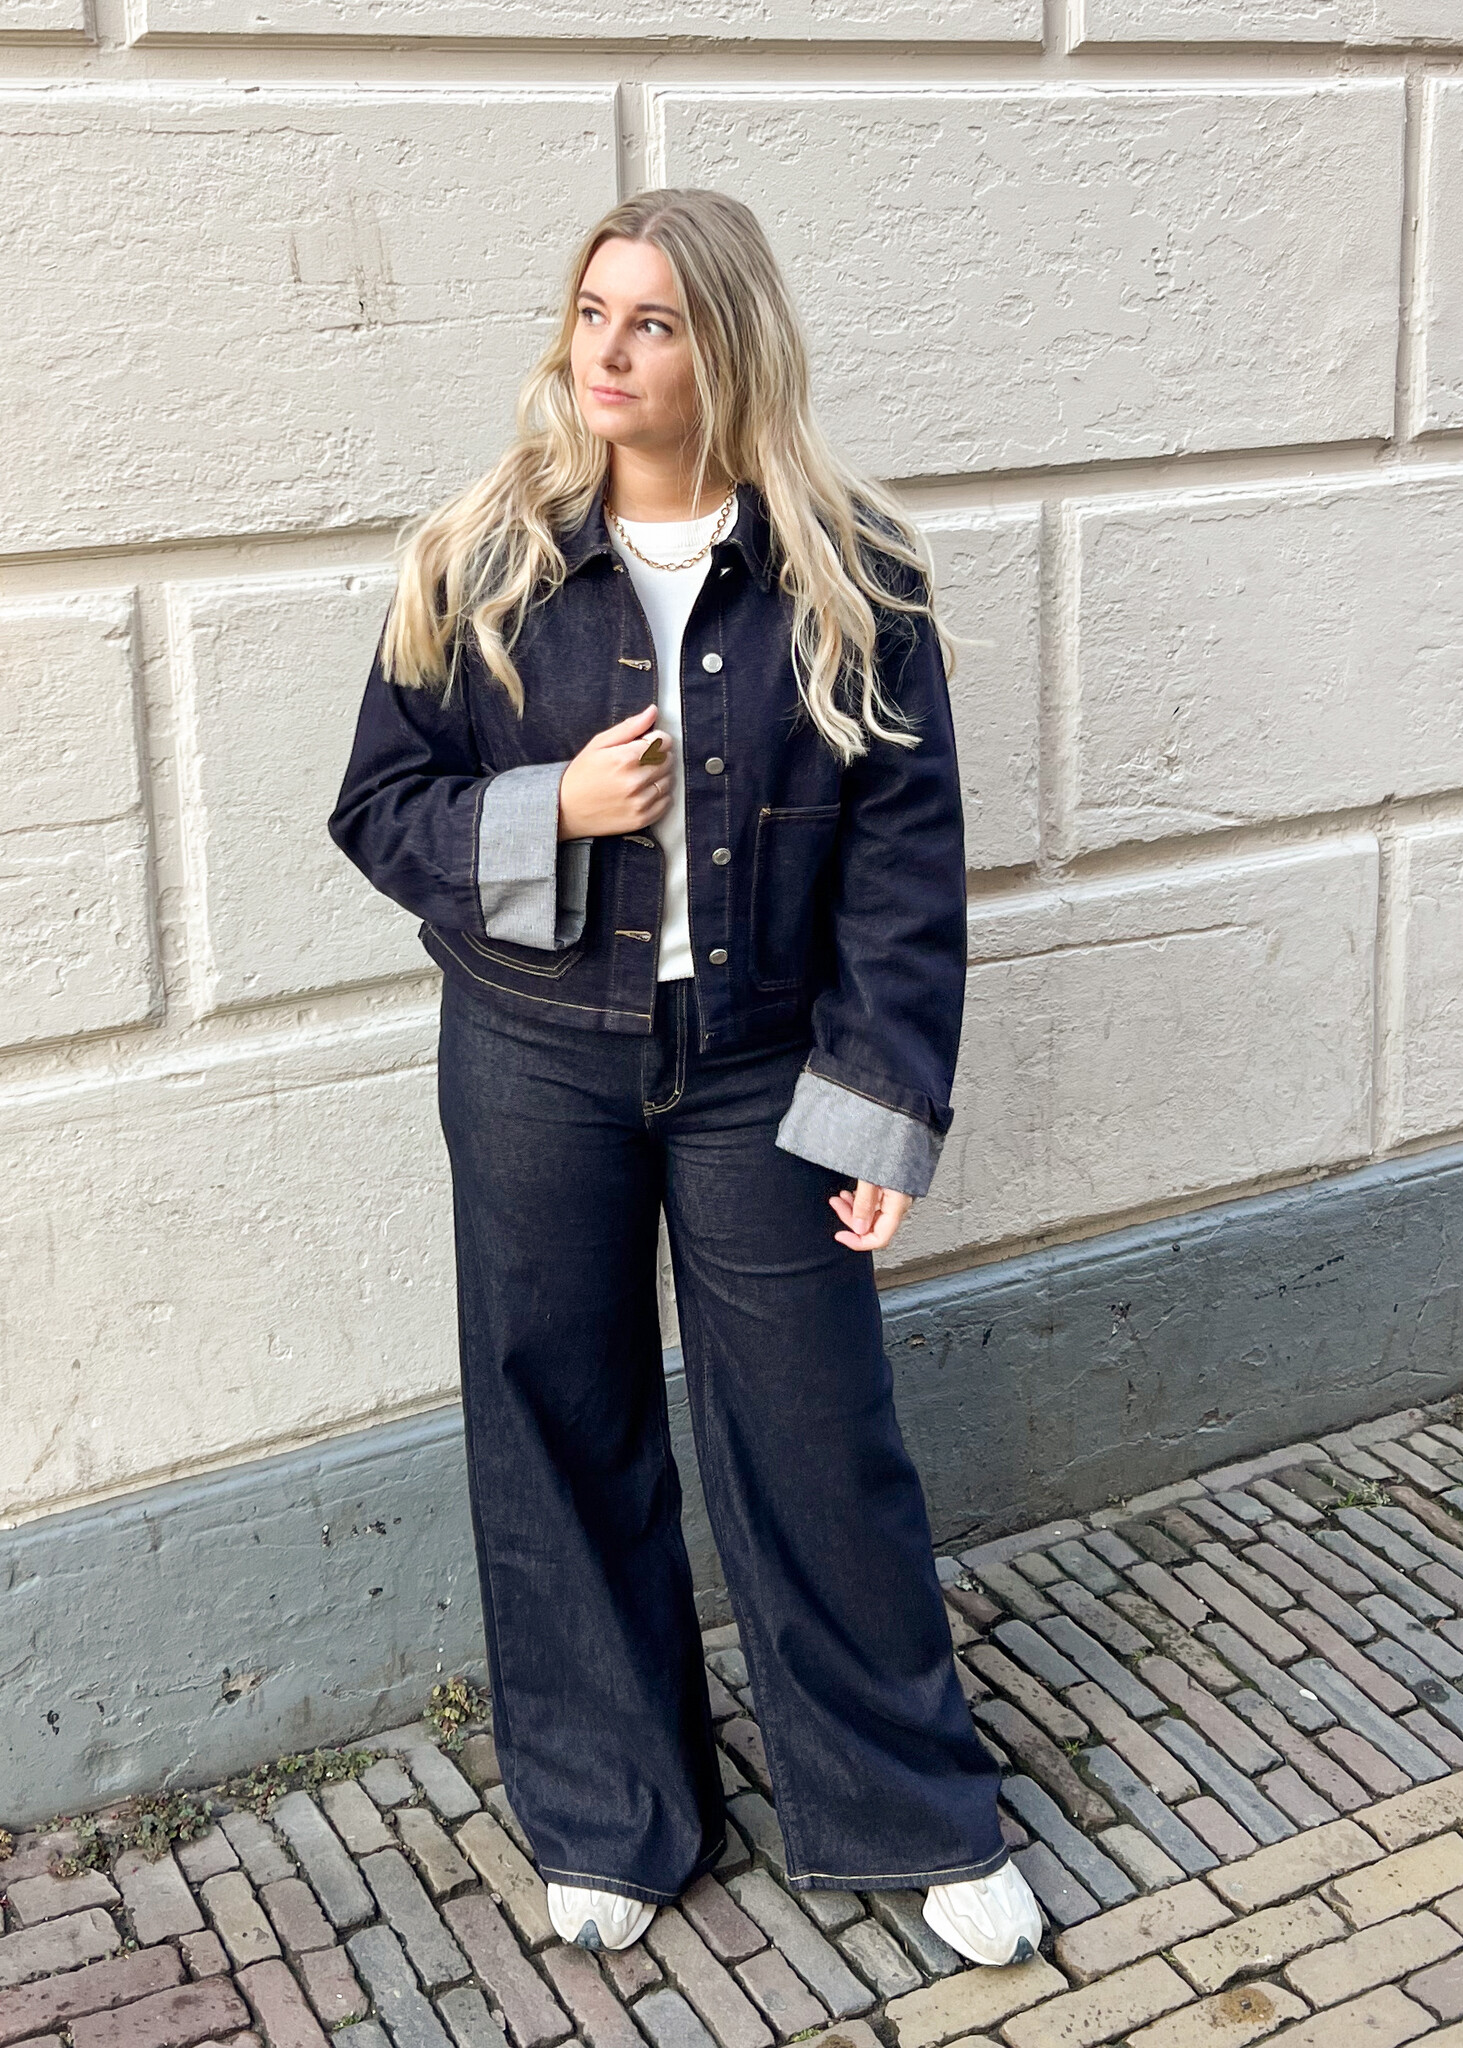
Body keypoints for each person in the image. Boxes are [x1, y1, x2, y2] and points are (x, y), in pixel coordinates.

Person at [328, 187, 1043, 1971]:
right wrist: (549, 810)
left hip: (760, 1073)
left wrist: (882, 1107)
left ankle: (908, 1806)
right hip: (529, 1057)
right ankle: (611, 1811)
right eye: (593, 313)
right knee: (557, 1421)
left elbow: (902, 869)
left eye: (652, 321)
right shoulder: (485, 561)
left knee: (816, 1431)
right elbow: (379, 808)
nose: (611, 351)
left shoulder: (850, 580)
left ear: (728, 344)